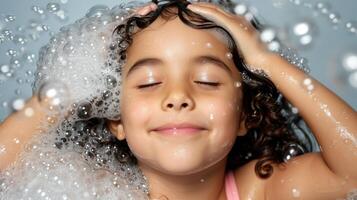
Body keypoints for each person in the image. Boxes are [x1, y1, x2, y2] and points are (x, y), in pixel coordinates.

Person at [0, 0, 356, 199]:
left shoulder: (262, 191)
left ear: (247, 112)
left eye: (207, 80)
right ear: (116, 118)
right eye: (149, 83)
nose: (178, 97)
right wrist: (62, 90)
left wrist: (265, 60)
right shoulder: (93, 190)